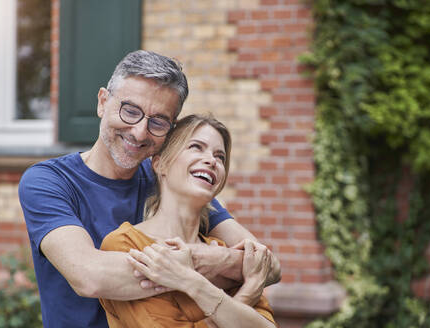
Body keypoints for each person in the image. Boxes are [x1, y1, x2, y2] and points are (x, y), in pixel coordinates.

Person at [18, 50, 281, 328]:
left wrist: (213, 259)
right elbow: (89, 276)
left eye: (158, 122)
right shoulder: (50, 182)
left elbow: (269, 265)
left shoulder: (171, 180)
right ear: (102, 102)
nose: (140, 131)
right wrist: (209, 269)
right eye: (130, 111)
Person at [99, 114, 278, 327]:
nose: (212, 161)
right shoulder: (127, 245)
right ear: (160, 164)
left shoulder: (221, 250)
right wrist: (248, 293)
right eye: (196, 147)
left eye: (220, 157)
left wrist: (190, 281)